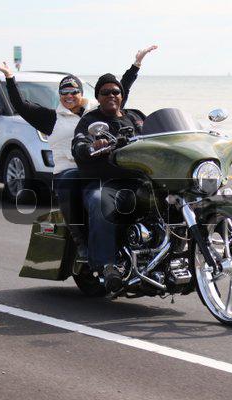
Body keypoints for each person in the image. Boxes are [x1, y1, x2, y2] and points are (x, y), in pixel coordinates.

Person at [0, 45, 157, 261]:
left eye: (74, 91)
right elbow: (20, 105)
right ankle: (81, 240)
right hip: (69, 169)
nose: (69, 96)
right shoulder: (51, 118)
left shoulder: (94, 111)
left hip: (97, 166)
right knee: (70, 182)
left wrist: (136, 64)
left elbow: (118, 91)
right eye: (64, 93)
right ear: (59, 96)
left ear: (81, 93)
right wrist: (10, 78)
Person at [71, 72, 144, 291]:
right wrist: (91, 146)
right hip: (105, 183)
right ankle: (107, 265)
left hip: (140, 180)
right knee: (100, 202)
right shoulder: (90, 121)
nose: (111, 95)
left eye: (115, 91)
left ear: (122, 95)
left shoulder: (136, 116)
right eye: (105, 92)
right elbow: (79, 144)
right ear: (98, 97)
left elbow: (161, 132)